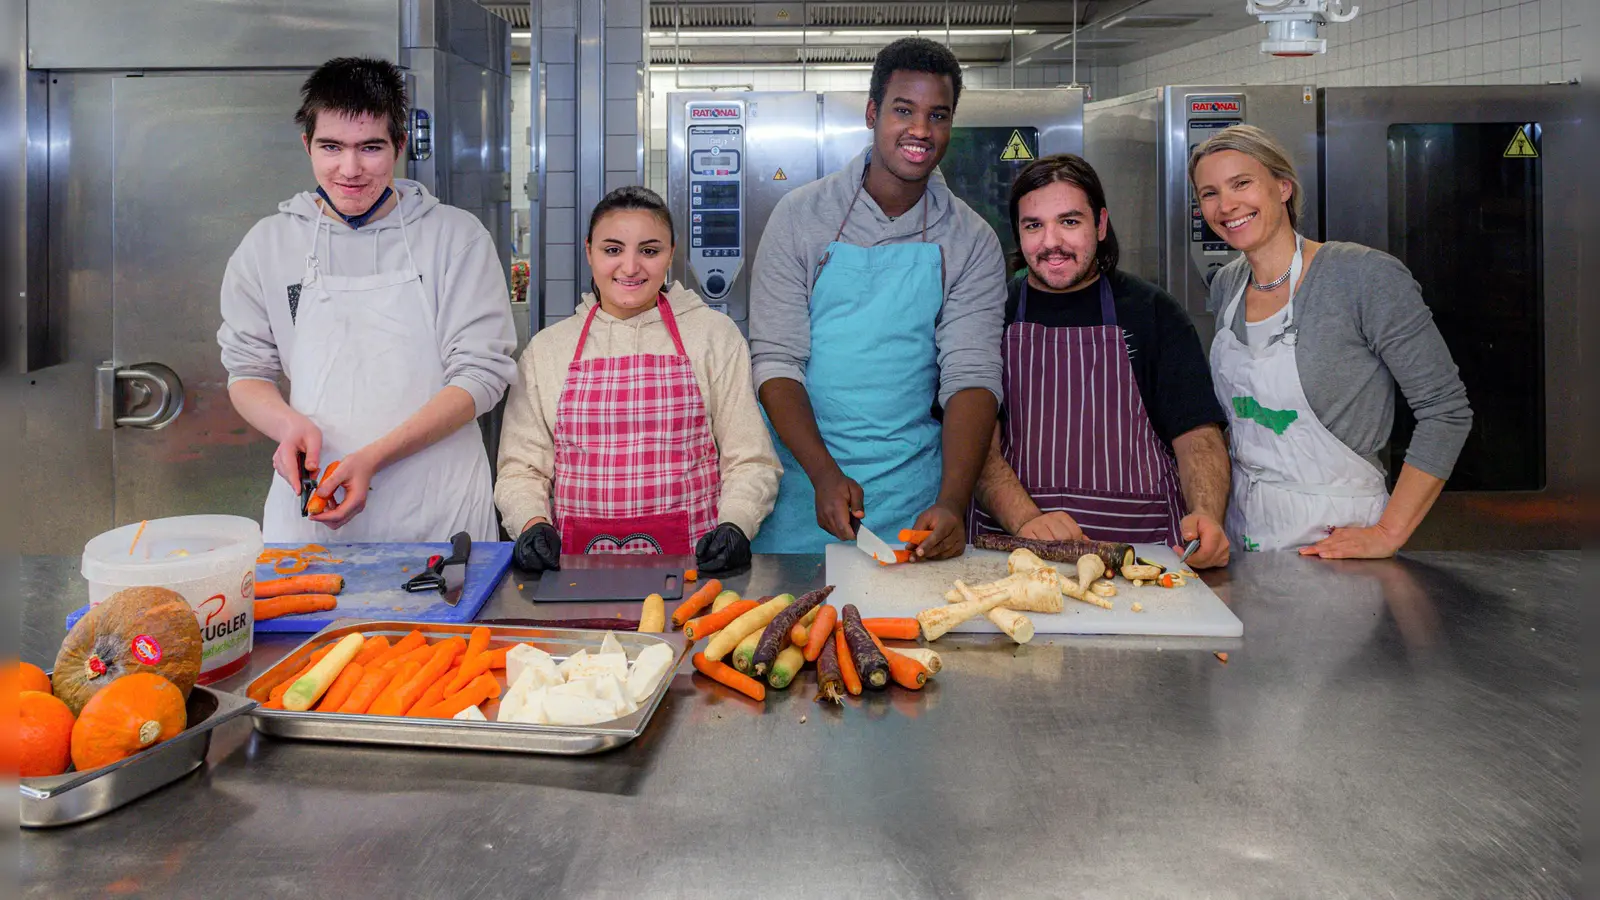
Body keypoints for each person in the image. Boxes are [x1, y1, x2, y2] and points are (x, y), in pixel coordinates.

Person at [219, 57, 516, 542]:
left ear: (400, 146)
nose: (350, 169)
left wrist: (374, 457)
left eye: (370, 148)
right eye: (331, 147)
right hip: (314, 504)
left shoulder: (455, 238)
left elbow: (482, 374)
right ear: (307, 146)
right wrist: (287, 424)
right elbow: (248, 372)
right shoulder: (268, 245)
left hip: (436, 506)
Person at [748, 37, 1007, 560]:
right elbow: (776, 360)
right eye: (903, 110)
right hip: (801, 488)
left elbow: (972, 375)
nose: (920, 130)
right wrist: (823, 473)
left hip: (915, 500)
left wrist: (952, 502)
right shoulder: (800, 217)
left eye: (938, 115)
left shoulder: (970, 240)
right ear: (872, 113)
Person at [1189, 125, 1471, 558]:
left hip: (1337, 540)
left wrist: (1388, 533)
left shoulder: (1362, 276)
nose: (1226, 206)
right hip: (1244, 533)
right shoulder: (1228, 285)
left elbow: (1445, 411)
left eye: (1241, 183)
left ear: (1283, 187)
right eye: (1209, 193)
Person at [495, 186, 780, 575]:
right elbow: (521, 469)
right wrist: (531, 522)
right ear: (589, 251)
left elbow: (749, 459)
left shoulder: (713, 336)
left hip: (695, 573)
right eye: (612, 250)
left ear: (671, 254)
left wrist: (737, 522)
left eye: (649, 251)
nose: (630, 268)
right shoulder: (548, 351)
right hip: (575, 577)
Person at [972, 155, 1232, 567]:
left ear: (1101, 224)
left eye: (1070, 222)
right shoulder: (989, 313)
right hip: (1018, 556)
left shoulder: (1153, 311)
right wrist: (1027, 520)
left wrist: (1205, 514)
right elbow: (975, 443)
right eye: (1033, 225)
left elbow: (1196, 434)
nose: (1051, 241)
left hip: (1143, 557)